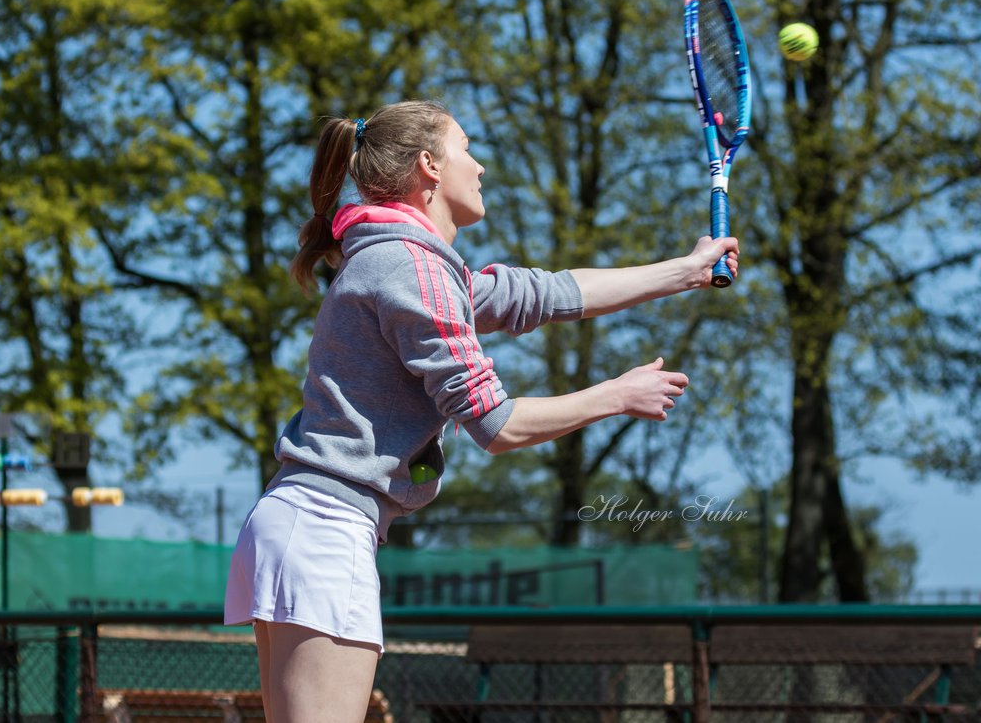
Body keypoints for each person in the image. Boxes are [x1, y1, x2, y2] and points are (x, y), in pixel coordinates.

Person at [223, 100, 738, 723]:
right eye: (466, 148)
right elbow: (497, 426)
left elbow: (547, 293)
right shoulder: (409, 267)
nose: (481, 165)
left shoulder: (406, 263)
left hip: (303, 521)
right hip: (324, 528)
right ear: (429, 166)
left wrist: (686, 271)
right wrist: (616, 395)